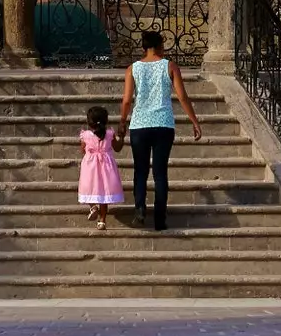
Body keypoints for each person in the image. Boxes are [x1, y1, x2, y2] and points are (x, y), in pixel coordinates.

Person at [117, 29, 201, 233]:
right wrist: (195, 121)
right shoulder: (170, 66)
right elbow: (182, 97)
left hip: (139, 125)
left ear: (144, 47)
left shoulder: (132, 69)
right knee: (160, 173)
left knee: (140, 170)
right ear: (161, 46)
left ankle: (139, 210)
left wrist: (122, 121)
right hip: (163, 124)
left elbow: (127, 99)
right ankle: (160, 219)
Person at [78, 103, 123, 233]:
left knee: (88, 187)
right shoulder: (110, 134)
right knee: (104, 193)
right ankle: (102, 220)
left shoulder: (85, 135)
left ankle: (93, 207)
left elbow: (82, 150)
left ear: (89, 122)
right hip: (106, 168)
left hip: (90, 167)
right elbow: (117, 147)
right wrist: (122, 137)